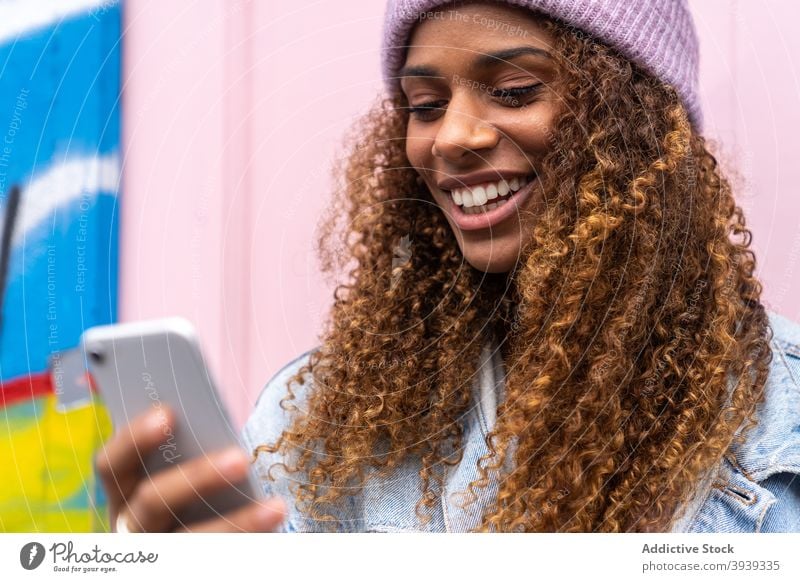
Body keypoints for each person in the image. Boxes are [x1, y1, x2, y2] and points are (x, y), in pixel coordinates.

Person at [97, 0, 800, 533]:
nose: (452, 137)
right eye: (425, 105)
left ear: (637, 123)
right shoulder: (318, 424)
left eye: (515, 90)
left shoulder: (783, 418)